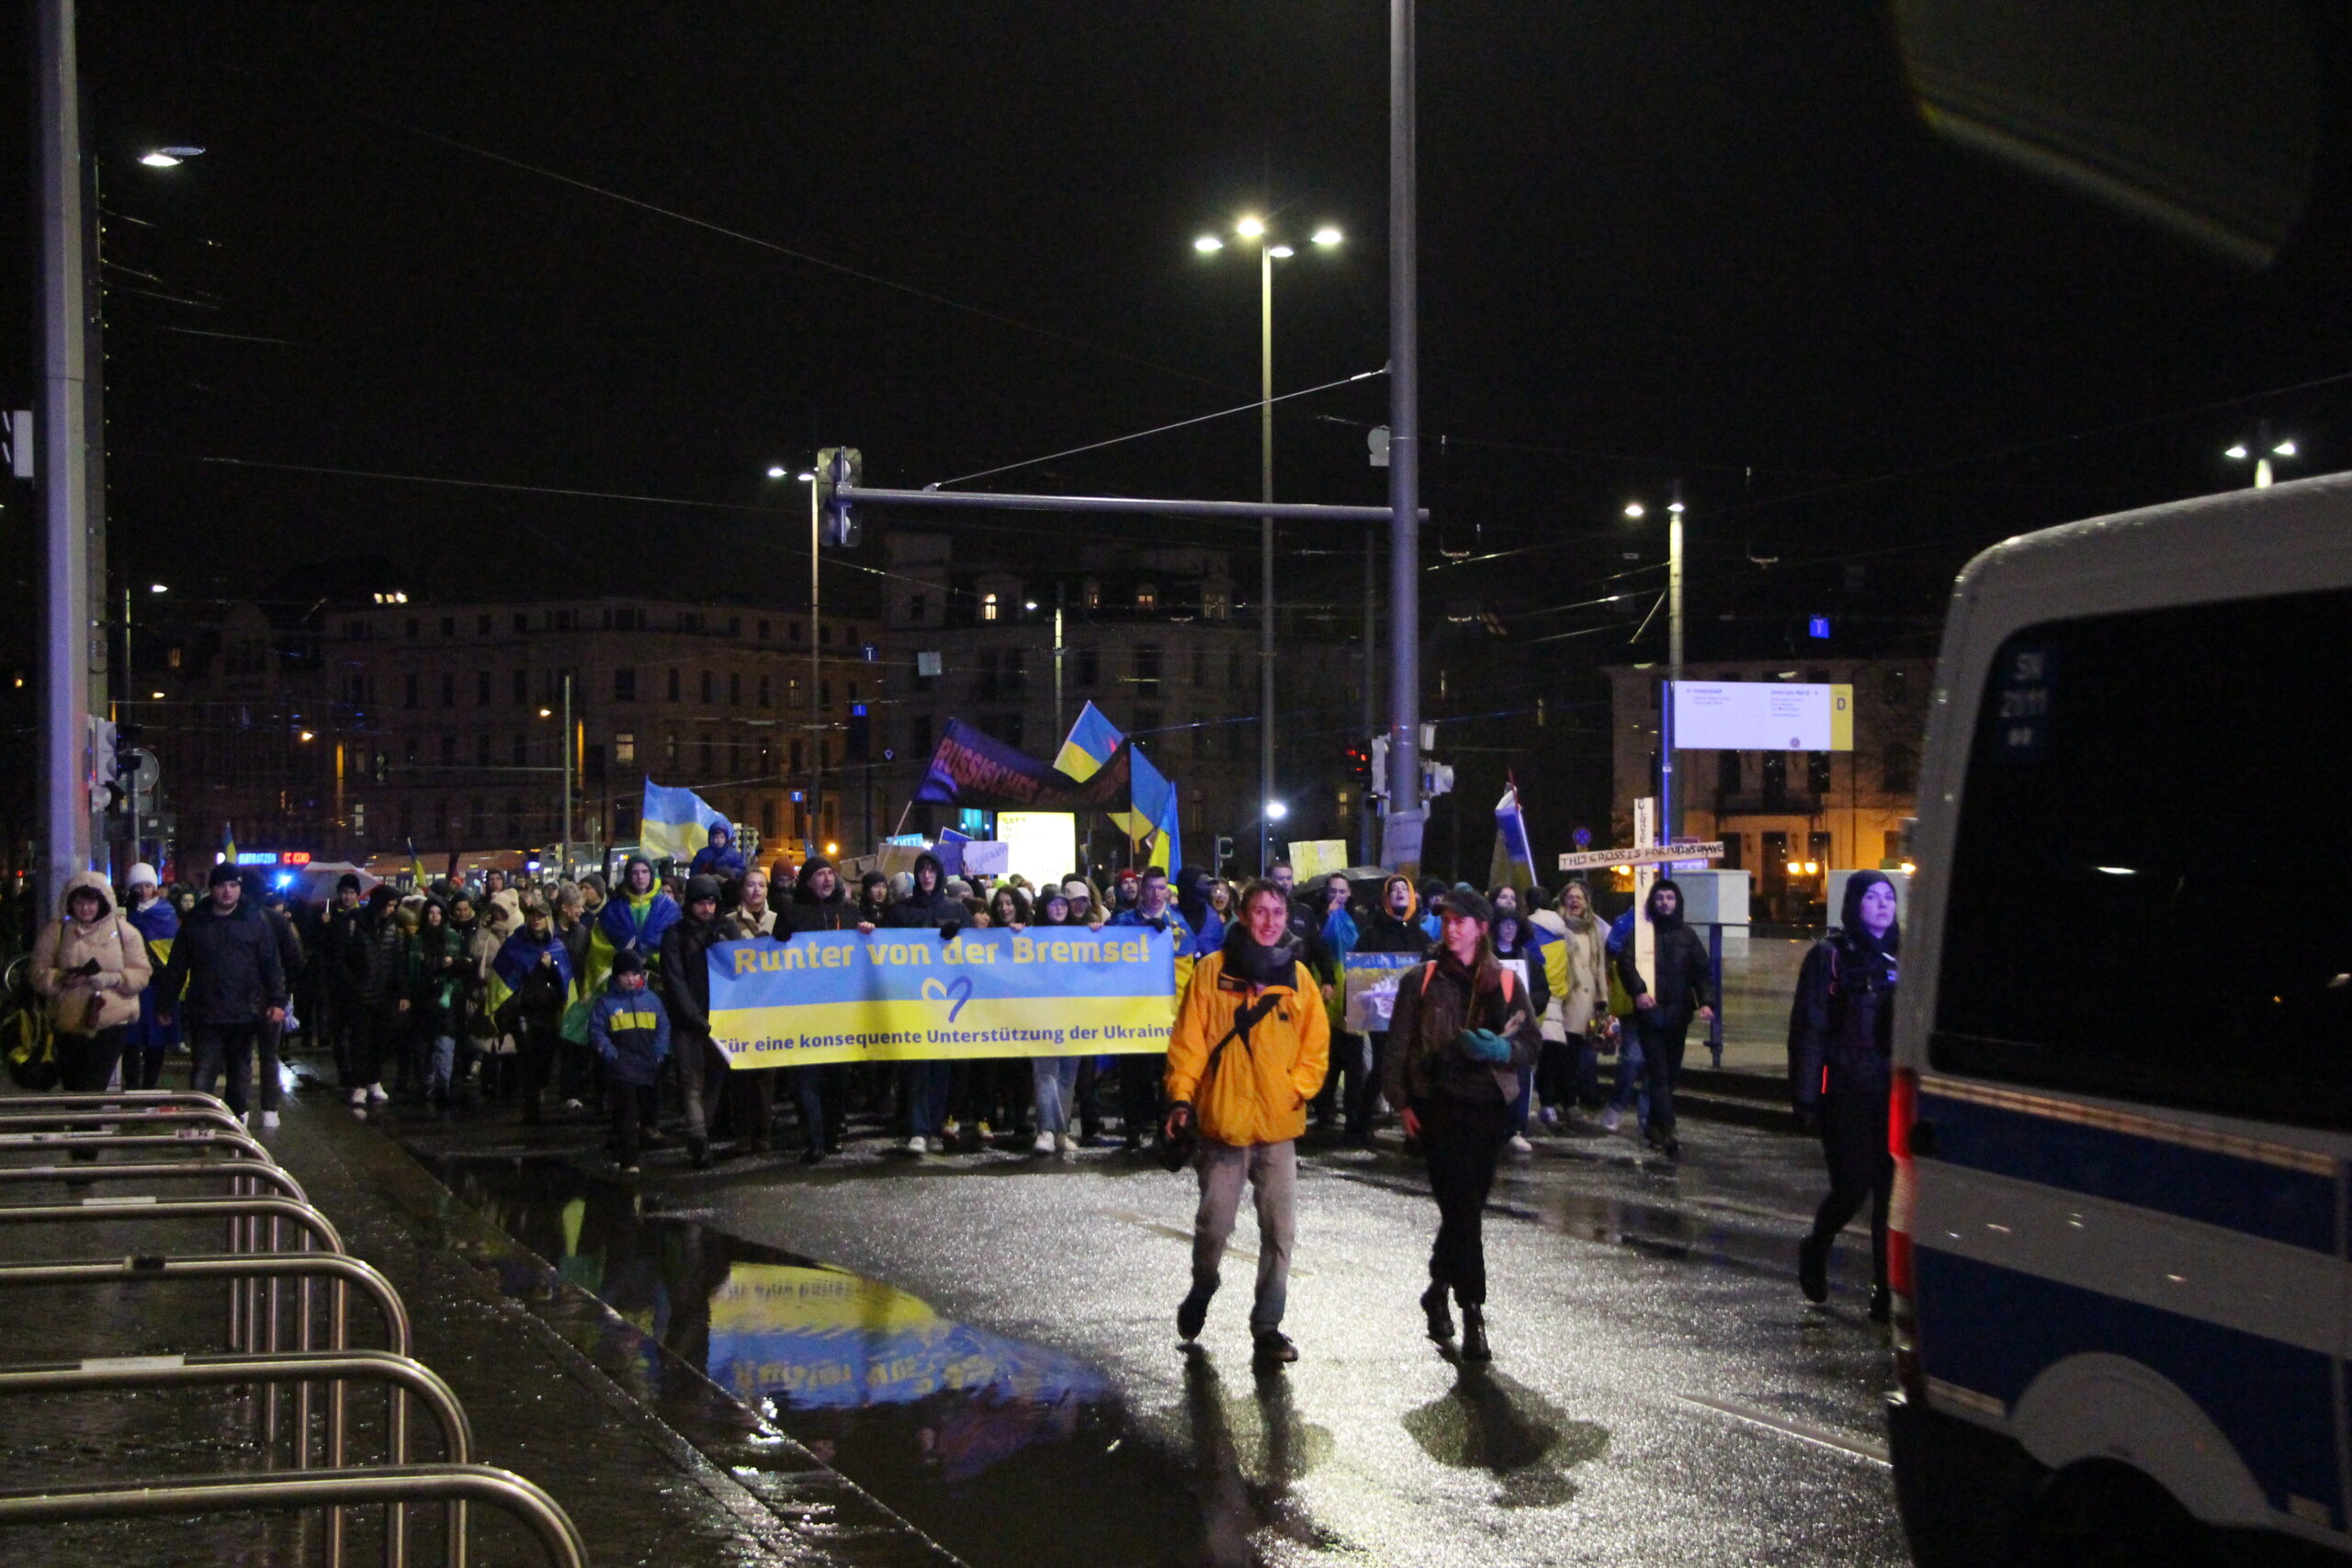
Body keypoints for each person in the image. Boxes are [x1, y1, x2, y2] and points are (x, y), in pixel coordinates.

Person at [1164, 879, 1330, 1369]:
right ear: (1242, 915)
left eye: (1277, 912)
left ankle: (1268, 1325)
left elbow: (1316, 1047)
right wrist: (1181, 1098)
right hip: (1223, 1127)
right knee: (1214, 1227)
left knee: (1279, 1232)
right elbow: (1190, 1043)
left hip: (1278, 1128)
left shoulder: (1298, 977)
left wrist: (1295, 1089)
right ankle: (1204, 1285)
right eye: (1260, 911)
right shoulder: (1211, 972)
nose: (1269, 921)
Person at [1383, 888, 1543, 1360]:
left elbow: (1532, 1043)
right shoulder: (1422, 979)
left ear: (1481, 929)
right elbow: (1398, 1045)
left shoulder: (1506, 983)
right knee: (1465, 1213)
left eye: (1460, 921)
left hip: (1488, 1111)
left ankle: (1436, 1289)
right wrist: (1401, 1103)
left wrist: (1502, 1049)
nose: (1451, 929)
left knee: (1464, 1209)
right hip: (1439, 1108)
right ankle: (1473, 1311)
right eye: (1446, 921)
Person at [1792, 871, 1901, 1321]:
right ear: (1855, 904)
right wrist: (1806, 1095)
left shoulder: (1907, 955)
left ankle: (1885, 1291)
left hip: (1892, 1092)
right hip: (1844, 1090)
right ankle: (1816, 1247)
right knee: (1853, 1185)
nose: (1883, 905)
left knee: (1890, 1195)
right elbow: (1811, 1027)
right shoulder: (1830, 957)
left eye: (1889, 897)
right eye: (1872, 897)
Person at [155, 863, 287, 1120]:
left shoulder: (255, 919)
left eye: (233, 885)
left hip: (243, 1012)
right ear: (211, 889)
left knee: (239, 1072)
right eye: (221, 886)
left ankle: (237, 1121)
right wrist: (166, 1002)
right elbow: (177, 965)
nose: (227, 891)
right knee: (203, 1071)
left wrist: (276, 1000)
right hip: (206, 1011)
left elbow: (270, 963)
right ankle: (199, 1122)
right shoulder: (196, 921)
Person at [30, 873, 153, 1133]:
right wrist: (61, 979)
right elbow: (37, 974)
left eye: (91, 902)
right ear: (70, 903)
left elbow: (141, 974)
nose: (86, 909)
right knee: (75, 1093)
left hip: (110, 1023)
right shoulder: (56, 931)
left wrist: (112, 979)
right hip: (68, 1024)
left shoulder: (125, 932)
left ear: (102, 902)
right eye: (79, 903)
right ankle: (83, 1145)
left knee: (92, 1091)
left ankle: (85, 1149)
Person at [1613, 878, 1713, 1159]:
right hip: (1651, 1015)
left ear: (1677, 902)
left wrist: (1706, 1002)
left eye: (1670, 898)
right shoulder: (1642, 934)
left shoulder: (1687, 936)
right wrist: (1639, 991)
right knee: (1658, 1072)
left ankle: (1655, 1127)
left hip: (1679, 1015)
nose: (1665, 903)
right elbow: (1626, 963)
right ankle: (1668, 1129)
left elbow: (1701, 971)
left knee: (1670, 1073)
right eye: (1660, 898)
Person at [1109, 867, 1195, 1152]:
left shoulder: (1179, 925)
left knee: (1164, 1074)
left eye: (1161, 888)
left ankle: (1163, 1130)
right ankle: (1133, 1129)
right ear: (1142, 890)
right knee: (1132, 1072)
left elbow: (1185, 973)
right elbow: (1101, 947)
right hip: (1132, 1012)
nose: (1156, 894)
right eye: (1151, 888)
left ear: (1167, 891)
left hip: (1165, 1015)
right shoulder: (1124, 921)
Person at [885, 852, 963, 1156]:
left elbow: (979, 949)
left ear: (939, 874)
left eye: (932, 870)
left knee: (941, 1070)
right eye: (922, 871)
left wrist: (959, 936)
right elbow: (882, 947)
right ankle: (918, 1130)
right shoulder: (901, 912)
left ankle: (932, 1126)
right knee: (917, 1068)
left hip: (947, 1003)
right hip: (912, 1000)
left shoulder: (954, 909)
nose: (927, 876)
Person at [661, 874, 741, 1167]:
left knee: (715, 1080)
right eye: (700, 903)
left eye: (711, 902)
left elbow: (743, 964)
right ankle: (698, 1138)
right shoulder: (676, 935)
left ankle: (702, 1131)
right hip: (690, 1022)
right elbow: (675, 981)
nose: (706, 909)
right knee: (691, 1081)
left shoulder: (726, 928)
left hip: (721, 1019)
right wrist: (693, 1017)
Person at [779, 858, 856, 1162]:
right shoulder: (793, 911)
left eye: (829, 873)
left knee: (835, 1079)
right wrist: (780, 938)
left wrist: (867, 931)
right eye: (820, 874)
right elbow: (776, 955)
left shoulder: (848, 912)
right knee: (805, 1078)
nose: (826, 879)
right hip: (803, 1009)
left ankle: (833, 1133)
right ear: (808, 881)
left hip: (838, 1009)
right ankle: (814, 1140)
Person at [1351, 874, 1436, 1142]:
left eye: (1404, 889)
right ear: (1386, 898)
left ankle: (1415, 1129)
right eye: (1394, 889)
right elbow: (1358, 975)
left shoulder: (1422, 937)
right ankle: (1362, 1122)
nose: (1400, 893)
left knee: (1414, 1066)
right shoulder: (1371, 934)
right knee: (1381, 1065)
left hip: (1412, 1016)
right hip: (1380, 1015)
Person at [590, 948, 671, 1174]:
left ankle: (622, 1148)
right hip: (621, 1067)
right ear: (616, 976)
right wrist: (610, 1054)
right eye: (625, 974)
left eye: (635, 973)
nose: (631, 978)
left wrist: (659, 1053)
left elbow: (663, 1027)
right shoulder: (606, 1003)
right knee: (627, 1112)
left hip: (648, 1064)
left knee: (645, 1110)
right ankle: (629, 1159)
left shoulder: (652, 1000)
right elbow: (597, 1031)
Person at [496, 899, 575, 1124]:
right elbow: (504, 972)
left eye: (541, 916)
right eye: (533, 916)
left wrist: (552, 967)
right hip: (523, 1009)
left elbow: (564, 981)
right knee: (528, 1057)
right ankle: (531, 1106)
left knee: (545, 1058)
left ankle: (538, 1090)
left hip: (547, 1011)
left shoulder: (556, 946)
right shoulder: (516, 943)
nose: (537, 920)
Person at [1487, 886, 1552, 1156]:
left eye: (1513, 925)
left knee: (1521, 1078)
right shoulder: (1486, 958)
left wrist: (1527, 1008)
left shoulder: (1528, 959)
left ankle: (1516, 1129)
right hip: (1492, 1028)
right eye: (1505, 924)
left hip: (1520, 1030)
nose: (1509, 929)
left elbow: (1542, 991)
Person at [1541, 881, 1611, 1124]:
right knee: (1558, 1053)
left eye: (1580, 897)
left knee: (1575, 1055)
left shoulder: (1593, 929)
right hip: (1564, 999)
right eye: (1570, 896)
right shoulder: (1556, 927)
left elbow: (1598, 965)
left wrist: (1602, 999)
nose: (1575, 901)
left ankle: (1569, 1100)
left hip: (1586, 1000)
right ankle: (1557, 1101)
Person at [1027, 887, 1089, 1155]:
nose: (1060, 908)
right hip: (1042, 1014)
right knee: (1045, 1073)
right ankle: (1045, 1130)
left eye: (1064, 904)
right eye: (1054, 904)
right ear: (1045, 907)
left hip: (1073, 1014)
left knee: (1067, 1076)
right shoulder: (1031, 936)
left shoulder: (1080, 934)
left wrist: (1096, 932)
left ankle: (1061, 1132)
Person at [119, 863, 180, 1091]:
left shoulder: (167, 912)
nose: (143, 891)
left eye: (147, 885)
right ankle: (132, 1085)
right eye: (138, 886)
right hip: (134, 985)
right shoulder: (127, 913)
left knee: (157, 1038)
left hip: (158, 985)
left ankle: (150, 1085)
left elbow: (171, 951)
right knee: (131, 1039)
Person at [253, 878, 306, 1122]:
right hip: (270, 996)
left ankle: (246, 1110)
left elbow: (294, 960)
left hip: (255, 997)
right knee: (268, 1055)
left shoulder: (264, 920)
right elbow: (295, 960)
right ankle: (269, 1110)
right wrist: (285, 992)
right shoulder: (277, 920)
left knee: (243, 1056)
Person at [412, 896, 467, 1106]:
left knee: (444, 1044)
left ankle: (443, 1085)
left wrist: (454, 963)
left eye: (438, 913)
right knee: (424, 1046)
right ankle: (427, 1083)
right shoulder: (418, 939)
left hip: (446, 998)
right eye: (431, 912)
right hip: (423, 999)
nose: (435, 917)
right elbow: (411, 969)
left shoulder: (453, 938)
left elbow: (467, 962)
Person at [322, 873, 372, 1101]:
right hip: (336, 985)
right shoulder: (331, 917)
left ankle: (355, 1074)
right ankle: (344, 1072)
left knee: (356, 1033)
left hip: (356, 985)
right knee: (339, 1032)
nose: (348, 897)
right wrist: (325, 926)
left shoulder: (363, 917)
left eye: (352, 893)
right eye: (344, 892)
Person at [689, 822, 749, 886]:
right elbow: (694, 873)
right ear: (711, 838)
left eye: (722, 837)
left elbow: (742, 870)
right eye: (716, 837)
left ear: (726, 838)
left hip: (729, 887)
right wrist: (708, 877)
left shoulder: (734, 854)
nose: (719, 840)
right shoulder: (702, 854)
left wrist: (732, 873)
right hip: (707, 886)